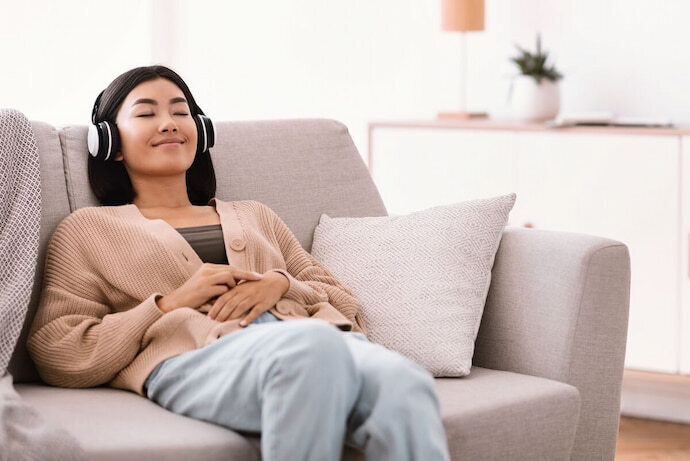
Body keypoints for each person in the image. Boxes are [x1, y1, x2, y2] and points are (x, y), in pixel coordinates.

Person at [27, 65, 451, 461]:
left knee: (405, 382)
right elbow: (58, 348)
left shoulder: (254, 214)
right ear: (110, 143)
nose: (170, 122)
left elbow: (341, 300)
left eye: (182, 112)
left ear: (202, 131)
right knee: (312, 349)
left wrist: (281, 284)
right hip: (197, 359)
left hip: (316, 341)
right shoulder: (87, 229)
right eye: (146, 113)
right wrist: (170, 304)